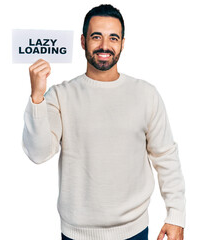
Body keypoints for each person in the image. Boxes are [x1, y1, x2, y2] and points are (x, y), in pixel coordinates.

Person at [22, 4, 186, 240]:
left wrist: (176, 215)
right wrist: (37, 96)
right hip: (75, 233)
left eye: (113, 38)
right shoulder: (60, 95)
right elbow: (38, 153)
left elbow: (166, 156)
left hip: (134, 230)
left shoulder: (146, 94)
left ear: (122, 43)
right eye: (96, 37)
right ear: (82, 41)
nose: (105, 46)